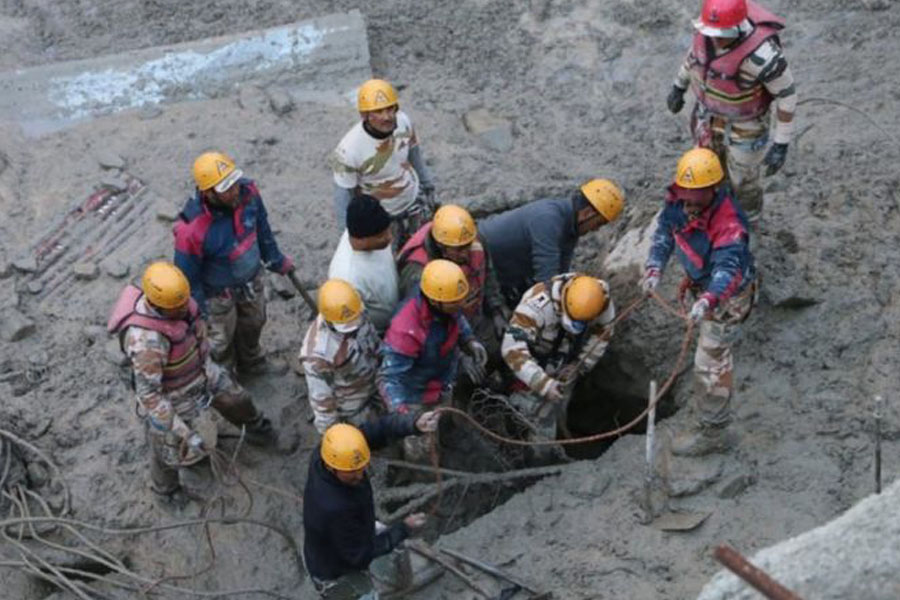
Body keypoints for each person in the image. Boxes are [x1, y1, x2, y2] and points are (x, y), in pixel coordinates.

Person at [107, 262, 275, 500]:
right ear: (157, 305)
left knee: (237, 399)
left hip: (202, 371)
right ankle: (166, 491)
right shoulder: (146, 343)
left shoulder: (181, 302)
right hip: (172, 393)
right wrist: (185, 433)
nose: (183, 309)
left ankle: (259, 431)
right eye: (176, 308)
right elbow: (150, 397)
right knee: (166, 444)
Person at [640, 148, 756, 456]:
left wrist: (708, 300)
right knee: (707, 356)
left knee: (710, 364)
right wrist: (654, 268)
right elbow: (665, 232)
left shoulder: (729, 224)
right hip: (701, 281)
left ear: (713, 188)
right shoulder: (679, 200)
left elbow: (729, 269)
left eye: (695, 195)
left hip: (726, 297)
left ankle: (714, 432)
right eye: (685, 192)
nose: (688, 200)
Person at [666, 0, 798, 223]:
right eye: (711, 32)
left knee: (744, 178)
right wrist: (678, 87)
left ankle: (749, 220)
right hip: (707, 116)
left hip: (746, 124)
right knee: (707, 165)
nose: (715, 39)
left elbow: (787, 95)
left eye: (722, 34)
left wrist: (781, 143)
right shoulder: (703, 37)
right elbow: (692, 60)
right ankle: (713, 212)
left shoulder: (763, 57)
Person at [174, 151, 294, 376]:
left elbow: (262, 227)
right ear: (207, 192)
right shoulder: (191, 230)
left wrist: (276, 259)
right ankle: (226, 379)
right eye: (226, 189)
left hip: (251, 278)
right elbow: (187, 278)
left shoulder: (249, 193)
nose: (234, 191)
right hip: (217, 295)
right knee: (219, 342)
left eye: (235, 183)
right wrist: (198, 314)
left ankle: (252, 363)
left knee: (254, 322)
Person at [303, 414, 438, 598]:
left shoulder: (329, 452)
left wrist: (413, 424)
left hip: (352, 530)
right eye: (352, 471)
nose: (360, 475)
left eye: (361, 467)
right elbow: (359, 556)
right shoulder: (334, 507)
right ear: (332, 467)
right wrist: (404, 528)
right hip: (335, 569)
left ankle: (396, 583)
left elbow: (375, 431)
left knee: (387, 542)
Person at [378, 260, 487, 460]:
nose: (460, 305)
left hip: (441, 382)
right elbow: (388, 380)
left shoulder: (448, 300)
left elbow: (458, 319)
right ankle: (422, 479)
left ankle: (444, 446)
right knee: (422, 451)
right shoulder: (406, 330)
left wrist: (469, 341)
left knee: (444, 426)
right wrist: (408, 418)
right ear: (435, 301)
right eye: (456, 303)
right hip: (415, 399)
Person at [501, 273, 615, 441]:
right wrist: (543, 384)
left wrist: (580, 365)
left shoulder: (599, 300)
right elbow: (512, 349)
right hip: (533, 359)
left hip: (564, 356)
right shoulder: (535, 306)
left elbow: (603, 333)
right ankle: (517, 426)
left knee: (553, 411)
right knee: (529, 409)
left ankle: (553, 435)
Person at [479, 179, 624, 307]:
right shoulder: (548, 219)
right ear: (587, 213)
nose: (595, 229)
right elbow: (547, 280)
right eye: (598, 223)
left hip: (501, 272)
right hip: (476, 262)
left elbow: (560, 276)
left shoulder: (570, 228)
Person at [396, 204, 507, 370]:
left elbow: (488, 273)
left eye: (468, 246)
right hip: (441, 336)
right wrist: (459, 355)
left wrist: (497, 310)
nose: (466, 253)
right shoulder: (418, 273)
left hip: (475, 319)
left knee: (506, 346)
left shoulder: (472, 241)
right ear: (442, 247)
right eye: (459, 249)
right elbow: (421, 326)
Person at [330, 78, 436, 248]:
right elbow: (343, 197)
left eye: (390, 109)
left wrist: (428, 185)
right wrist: (347, 237)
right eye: (378, 111)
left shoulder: (404, 122)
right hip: (381, 216)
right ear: (364, 115)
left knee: (424, 249)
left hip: (413, 199)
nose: (387, 117)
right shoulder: (347, 151)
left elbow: (414, 153)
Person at [300, 279, 382, 434]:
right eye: (347, 327)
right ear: (330, 321)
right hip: (353, 402)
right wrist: (334, 435)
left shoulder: (355, 307)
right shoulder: (317, 355)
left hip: (378, 379)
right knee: (372, 435)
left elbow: (375, 342)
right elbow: (322, 404)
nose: (353, 328)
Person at [328, 194, 399, 334]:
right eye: (381, 236)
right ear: (360, 240)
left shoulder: (370, 232)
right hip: (381, 332)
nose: (389, 238)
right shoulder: (346, 277)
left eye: (388, 231)